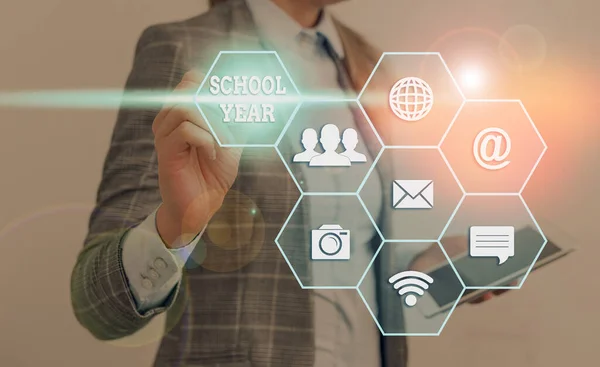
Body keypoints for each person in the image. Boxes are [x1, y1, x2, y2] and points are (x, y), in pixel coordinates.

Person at [70, 0, 504, 366]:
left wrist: (433, 264)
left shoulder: (368, 66)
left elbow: (351, 259)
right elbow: (99, 308)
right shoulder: (184, 49)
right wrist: (174, 226)